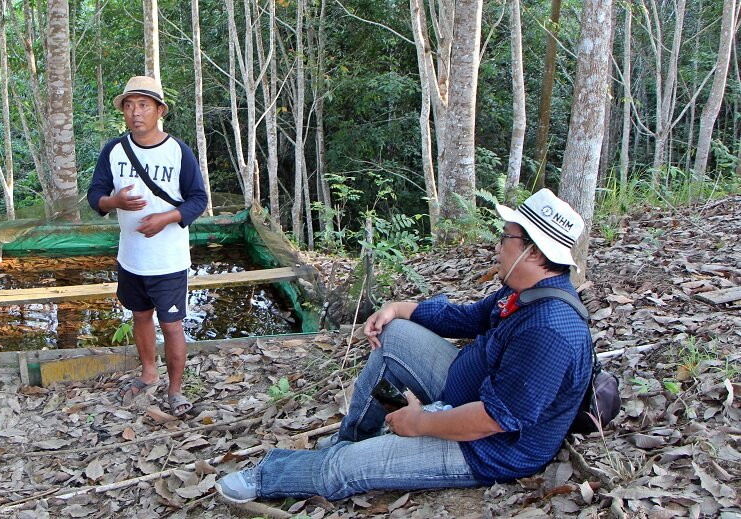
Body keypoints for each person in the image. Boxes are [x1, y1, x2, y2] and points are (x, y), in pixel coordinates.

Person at [216, 188, 593, 502]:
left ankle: (272, 476)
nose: (497, 245)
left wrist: (422, 422)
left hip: (486, 446)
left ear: (535, 252)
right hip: (464, 393)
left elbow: (492, 421)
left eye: (506, 237)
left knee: (347, 468)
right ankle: (355, 435)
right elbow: (466, 318)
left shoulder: (550, 331)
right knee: (392, 337)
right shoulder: (521, 290)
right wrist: (398, 308)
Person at [87, 75, 208, 416]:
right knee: (140, 316)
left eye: (143, 105)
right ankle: (148, 373)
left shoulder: (177, 152)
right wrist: (114, 202)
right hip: (131, 257)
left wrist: (166, 218)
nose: (135, 112)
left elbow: (199, 199)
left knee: (171, 325)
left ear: (159, 111)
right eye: (129, 105)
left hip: (168, 260)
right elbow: (94, 196)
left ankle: (175, 390)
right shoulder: (113, 151)